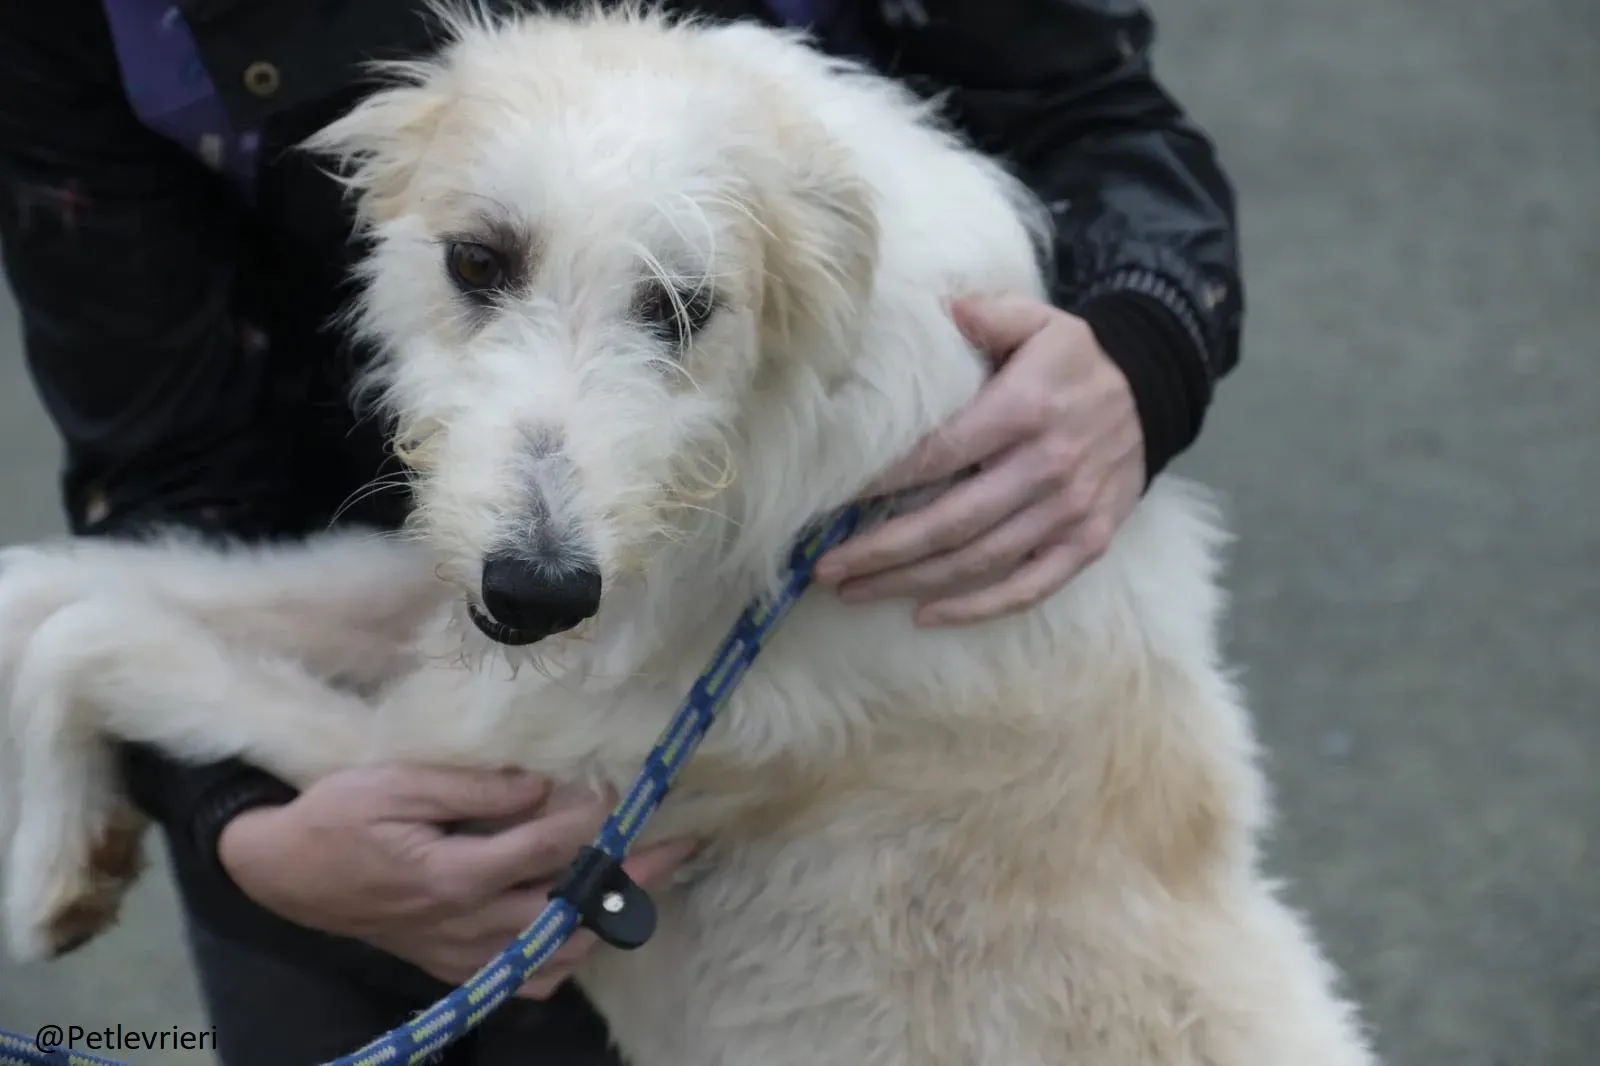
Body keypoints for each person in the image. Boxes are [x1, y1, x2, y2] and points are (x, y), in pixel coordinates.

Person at [0, 0, 1243, 1062]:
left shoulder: (861, 353)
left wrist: (1144, 343)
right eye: (482, 267)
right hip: (378, 673)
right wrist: (242, 833)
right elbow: (176, 457)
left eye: (677, 310)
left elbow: (1089, 107)